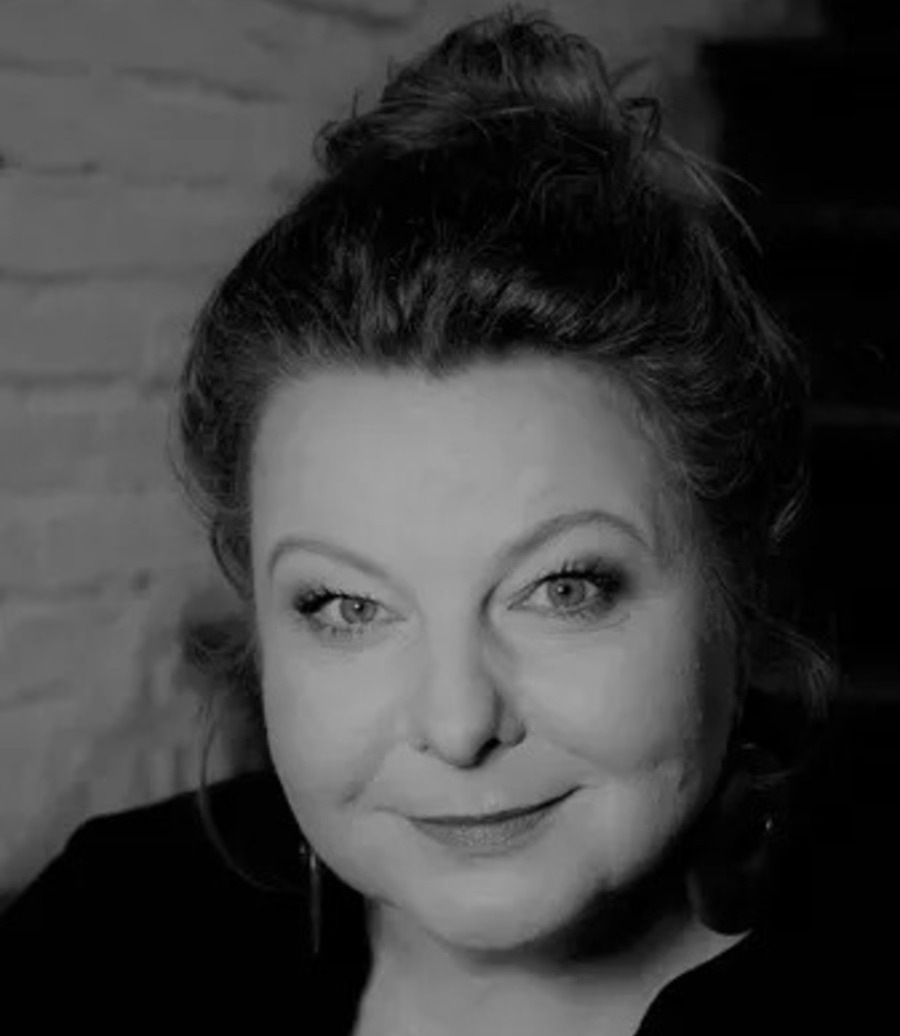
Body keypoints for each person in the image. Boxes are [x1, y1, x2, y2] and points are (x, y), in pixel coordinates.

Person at [1, 6, 896, 1032]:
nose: (460, 724)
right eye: (347, 606)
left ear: (740, 585)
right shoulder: (106, 933)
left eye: (564, 589)